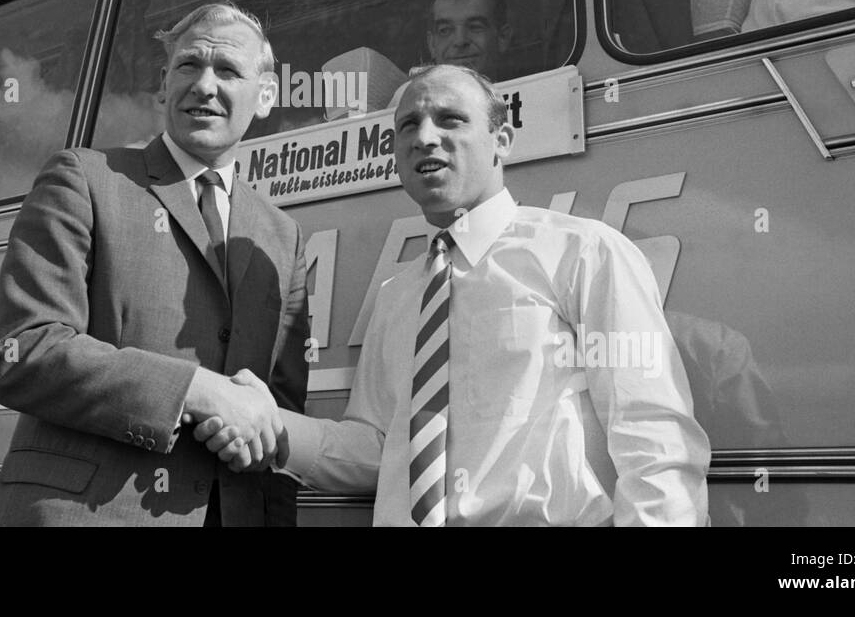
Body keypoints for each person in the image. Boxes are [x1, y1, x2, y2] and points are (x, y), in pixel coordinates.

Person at [198, 64, 710, 525]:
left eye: (450, 120)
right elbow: (379, 449)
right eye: (407, 126)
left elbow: (653, 436)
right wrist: (271, 427)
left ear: (501, 139)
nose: (425, 137)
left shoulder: (584, 253)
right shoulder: (399, 295)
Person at [0, 2, 310, 526]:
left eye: (227, 70)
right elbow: (24, 351)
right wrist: (198, 391)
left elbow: (282, 410)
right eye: (189, 65)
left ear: (266, 96)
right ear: (163, 84)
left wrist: (255, 439)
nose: (205, 85)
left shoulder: (283, 236)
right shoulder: (84, 179)